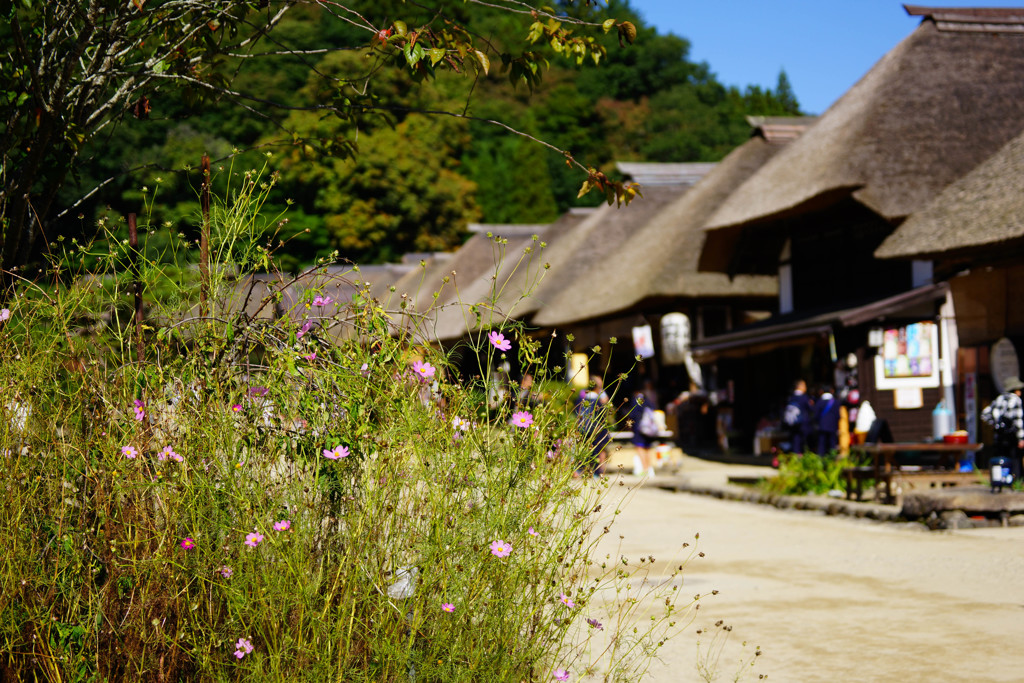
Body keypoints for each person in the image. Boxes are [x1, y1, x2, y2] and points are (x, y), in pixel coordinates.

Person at [981, 376, 1024, 480]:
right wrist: (1021, 438)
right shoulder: (1016, 400)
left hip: (999, 436)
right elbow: (1018, 421)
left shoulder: (999, 398)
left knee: (1001, 458)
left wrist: (995, 424)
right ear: (1015, 389)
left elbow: (984, 414)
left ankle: (1000, 480)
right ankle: (1015, 480)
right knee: (1014, 458)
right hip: (1012, 436)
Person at [575, 376, 610, 475]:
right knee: (596, 449)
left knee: (584, 449)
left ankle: (583, 470)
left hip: (583, 427)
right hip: (596, 427)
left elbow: (576, 410)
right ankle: (596, 471)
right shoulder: (597, 398)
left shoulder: (582, 396)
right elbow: (602, 413)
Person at [625, 389, 658, 476]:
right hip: (649, 430)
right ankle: (649, 468)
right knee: (647, 448)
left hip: (639, 429)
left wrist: (630, 426)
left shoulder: (636, 402)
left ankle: (645, 468)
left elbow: (633, 415)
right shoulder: (648, 401)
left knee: (640, 448)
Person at [783, 379, 814, 454]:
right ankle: (803, 456)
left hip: (793, 422)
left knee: (795, 440)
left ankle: (796, 457)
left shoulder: (790, 397)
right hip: (803, 424)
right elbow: (811, 409)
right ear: (800, 386)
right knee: (804, 442)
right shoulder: (804, 397)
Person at [813, 386, 840, 455]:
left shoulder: (819, 402)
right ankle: (832, 459)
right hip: (833, 426)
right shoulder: (836, 402)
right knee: (832, 444)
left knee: (821, 444)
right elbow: (838, 415)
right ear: (831, 391)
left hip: (822, 426)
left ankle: (821, 460)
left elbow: (815, 415)